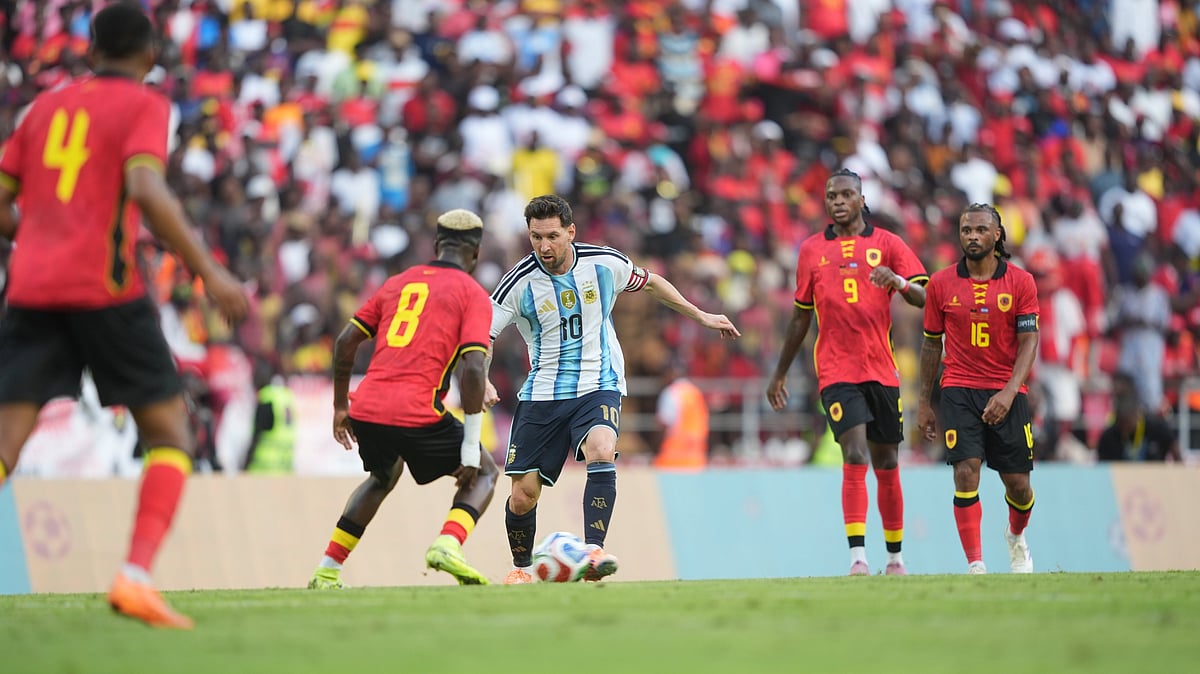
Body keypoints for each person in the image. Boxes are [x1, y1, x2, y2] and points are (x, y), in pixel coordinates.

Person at [0, 4, 249, 628]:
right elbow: (144, 188)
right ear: (150, 56)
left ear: (89, 51)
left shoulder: (44, 109)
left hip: (31, 287)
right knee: (169, 433)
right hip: (104, 288)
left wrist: (39, 233)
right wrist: (208, 271)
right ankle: (134, 576)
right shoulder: (144, 104)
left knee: (5, 443)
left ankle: (135, 579)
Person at [488, 194, 739, 584]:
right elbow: (483, 335)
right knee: (523, 495)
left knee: (602, 448)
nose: (544, 246)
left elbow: (652, 283)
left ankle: (592, 551)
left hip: (598, 382)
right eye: (536, 237)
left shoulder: (605, 263)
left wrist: (702, 316)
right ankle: (521, 569)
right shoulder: (519, 282)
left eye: (553, 236)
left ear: (571, 232)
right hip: (542, 393)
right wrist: (484, 379)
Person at [307, 209, 499, 589]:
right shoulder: (472, 294)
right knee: (486, 473)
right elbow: (474, 368)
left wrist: (340, 406)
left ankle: (327, 569)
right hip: (417, 412)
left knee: (382, 475)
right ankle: (448, 544)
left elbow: (346, 341)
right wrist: (470, 449)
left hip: (368, 407)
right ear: (475, 255)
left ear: (436, 246)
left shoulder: (398, 282)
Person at [767, 168, 928, 577]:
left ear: (861, 199)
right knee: (854, 452)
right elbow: (801, 319)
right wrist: (780, 372)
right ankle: (858, 557)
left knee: (887, 462)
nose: (837, 202)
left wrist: (897, 281)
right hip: (837, 370)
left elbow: (925, 297)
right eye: (831, 196)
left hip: (882, 369)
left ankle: (895, 558)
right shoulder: (810, 251)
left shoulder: (888, 245)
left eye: (845, 195)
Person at [917, 203, 1040, 575]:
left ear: (997, 234)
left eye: (981, 230)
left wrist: (1008, 392)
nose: (973, 236)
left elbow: (1029, 341)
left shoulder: (1021, 282)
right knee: (965, 471)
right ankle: (976, 564)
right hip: (958, 389)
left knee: (1018, 485)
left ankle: (1016, 538)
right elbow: (930, 344)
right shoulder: (940, 284)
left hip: (1007, 391)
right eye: (966, 230)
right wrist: (924, 401)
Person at [1095, 372, 1180, 462]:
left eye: (1127, 421)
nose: (1124, 426)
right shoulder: (1110, 436)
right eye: (1121, 421)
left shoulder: (1156, 427)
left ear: (1136, 415)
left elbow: (1175, 448)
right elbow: (1101, 465)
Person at [654, 359, 709, 471]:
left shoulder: (670, 392)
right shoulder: (695, 392)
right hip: (697, 458)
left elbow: (664, 422)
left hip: (673, 458)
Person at [244, 360, 297, 474]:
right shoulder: (286, 395)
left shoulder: (266, 398)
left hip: (264, 468)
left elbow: (258, 434)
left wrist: (246, 464)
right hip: (285, 467)